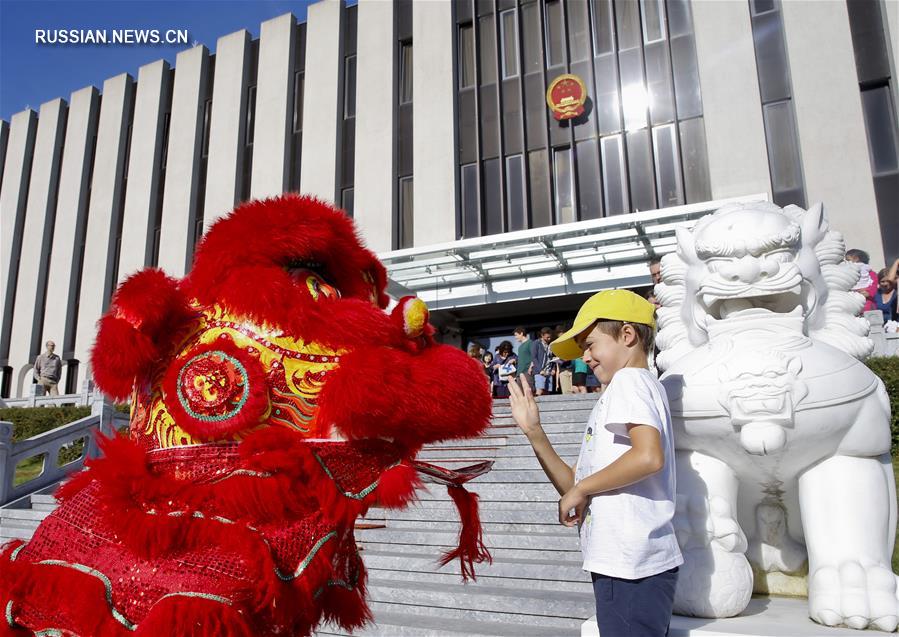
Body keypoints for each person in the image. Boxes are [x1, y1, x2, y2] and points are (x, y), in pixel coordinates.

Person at [507, 290, 682, 636]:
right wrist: (534, 432)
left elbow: (648, 456)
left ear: (628, 335)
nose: (585, 357)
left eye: (591, 344)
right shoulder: (635, 386)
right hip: (628, 565)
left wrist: (583, 488)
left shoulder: (629, 382)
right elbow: (575, 484)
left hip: (630, 566)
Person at [531, 327, 556, 396]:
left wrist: (553, 368)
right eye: (547, 337)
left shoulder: (550, 345)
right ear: (542, 335)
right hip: (540, 372)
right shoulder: (536, 343)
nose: (549, 339)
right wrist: (540, 370)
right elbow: (534, 357)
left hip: (548, 371)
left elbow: (552, 358)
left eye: (550, 337)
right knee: (540, 390)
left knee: (547, 391)